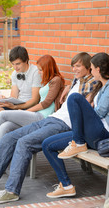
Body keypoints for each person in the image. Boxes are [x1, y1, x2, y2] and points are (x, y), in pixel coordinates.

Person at [0, 52, 97, 204]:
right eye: (73, 66)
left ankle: (11, 191)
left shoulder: (93, 84)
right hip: (52, 118)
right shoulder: (78, 80)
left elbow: (91, 108)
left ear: (90, 68)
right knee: (9, 137)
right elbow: (71, 84)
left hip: (63, 125)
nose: (74, 69)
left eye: (78, 66)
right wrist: (67, 87)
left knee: (24, 142)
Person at [0, 55, 64, 159]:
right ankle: (0, 160)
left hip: (43, 118)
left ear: (48, 68)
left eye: (41, 70)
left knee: (2, 114)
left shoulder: (56, 80)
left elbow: (46, 103)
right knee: (5, 126)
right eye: (39, 70)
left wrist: (27, 111)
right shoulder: (48, 81)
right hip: (36, 115)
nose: (39, 72)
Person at [42, 52, 109, 199]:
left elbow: (99, 114)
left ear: (98, 69)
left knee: (74, 98)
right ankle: (66, 186)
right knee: (47, 144)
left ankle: (77, 143)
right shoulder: (100, 87)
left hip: (102, 134)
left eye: (91, 68)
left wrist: (85, 112)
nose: (90, 72)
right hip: (90, 134)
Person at [0, 46, 41, 121]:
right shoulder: (15, 73)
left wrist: (15, 107)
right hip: (15, 106)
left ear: (26, 60)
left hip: (27, 108)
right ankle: (1, 116)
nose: (15, 67)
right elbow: (13, 96)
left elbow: (35, 100)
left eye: (18, 64)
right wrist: (5, 100)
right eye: (13, 64)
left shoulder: (36, 72)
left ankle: (0, 115)